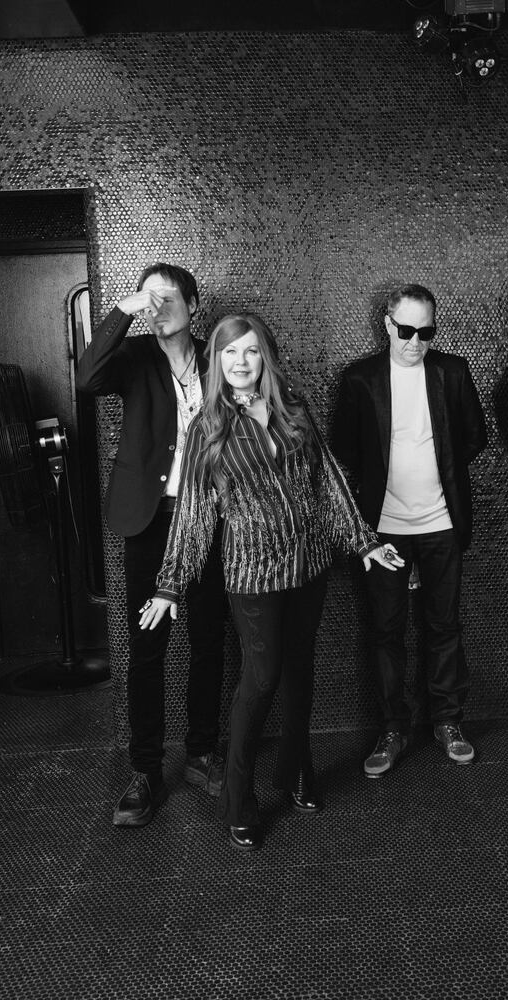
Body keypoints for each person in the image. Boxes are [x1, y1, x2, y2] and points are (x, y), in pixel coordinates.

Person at [139, 313, 401, 851]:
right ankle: (239, 796)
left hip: (309, 568)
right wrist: (169, 584)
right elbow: (192, 513)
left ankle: (296, 770)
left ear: (266, 358)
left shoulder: (294, 411)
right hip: (252, 574)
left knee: (300, 672)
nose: (240, 362)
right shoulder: (206, 428)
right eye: (229, 353)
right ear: (216, 361)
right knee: (260, 679)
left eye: (251, 352)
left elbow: (327, 481)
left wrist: (364, 540)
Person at [76, 263, 227, 827]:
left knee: (210, 637)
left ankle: (202, 752)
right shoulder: (135, 357)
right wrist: (123, 310)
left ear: (193, 303)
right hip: (148, 520)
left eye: (169, 298)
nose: (158, 307)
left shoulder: (219, 357)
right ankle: (145, 770)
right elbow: (87, 379)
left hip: (210, 517)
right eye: (150, 297)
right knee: (147, 648)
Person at [332, 283, 487, 777]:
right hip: (384, 530)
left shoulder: (452, 373)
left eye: (425, 332)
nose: (415, 341)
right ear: (387, 325)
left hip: (442, 523)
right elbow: (346, 450)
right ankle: (392, 729)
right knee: (386, 630)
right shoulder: (360, 379)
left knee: (445, 625)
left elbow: (472, 439)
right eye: (405, 330)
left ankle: (447, 722)